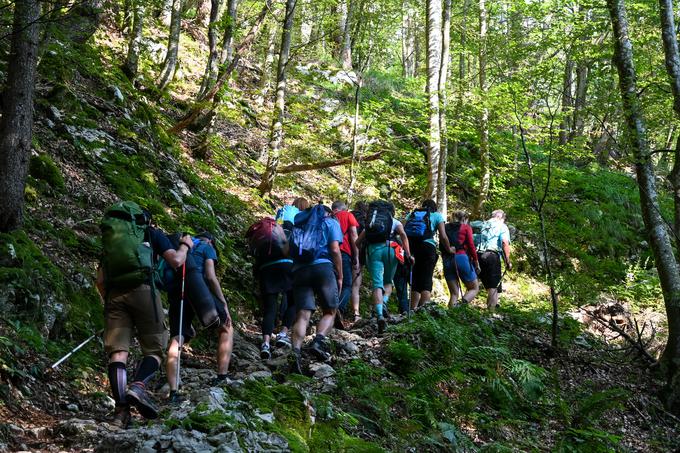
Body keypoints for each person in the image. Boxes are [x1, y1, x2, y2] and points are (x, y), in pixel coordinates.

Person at [96, 202, 193, 428]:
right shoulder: (150, 233)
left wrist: (111, 304)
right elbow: (176, 261)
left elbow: (100, 281)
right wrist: (185, 246)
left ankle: (121, 413)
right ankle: (138, 387)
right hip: (144, 292)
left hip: (114, 296)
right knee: (155, 349)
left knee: (118, 353)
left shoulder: (112, 240)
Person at [166, 231, 233, 403]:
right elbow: (210, 276)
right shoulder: (206, 247)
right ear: (211, 241)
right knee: (226, 327)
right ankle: (222, 375)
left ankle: (173, 391)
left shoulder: (182, 246)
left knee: (177, 337)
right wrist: (223, 303)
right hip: (199, 289)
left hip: (177, 291)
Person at [289, 204, 343, 373]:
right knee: (330, 311)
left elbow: (287, 250)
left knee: (303, 314)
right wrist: (340, 275)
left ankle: (295, 352)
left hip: (299, 270)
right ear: (328, 212)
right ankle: (318, 342)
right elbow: (334, 249)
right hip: (323, 268)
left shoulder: (300, 225)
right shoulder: (330, 223)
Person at [358, 200, 413, 334]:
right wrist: (408, 254)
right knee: (388, 282)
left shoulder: (371, 223)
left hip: (374, 251)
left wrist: (363, 251)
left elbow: (357, 242)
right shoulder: (394, 221)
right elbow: (404, 236)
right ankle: (384, 303)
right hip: (391, 250)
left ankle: (379, 315)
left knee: (377, 284)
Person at [405, 199, 452, 309]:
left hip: (412, 248)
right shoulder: (437, 216)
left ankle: (412, 310)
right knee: (426, 278)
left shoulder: (412, 214)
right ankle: (424, 311)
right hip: (427, 247)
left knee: (415, 279)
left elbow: (403, 232)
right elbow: (443, 236)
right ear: (434, 207)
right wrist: (449, 249)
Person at [441, 210, 480, 307]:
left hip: (447, 260)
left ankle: (450, 317)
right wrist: (476, 262)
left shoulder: (445, 227)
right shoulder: (466, 228)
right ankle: (460, 307)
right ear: (464, 219)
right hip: (461, 258)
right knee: (474, 288)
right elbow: (471, 246)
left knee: (454, 294)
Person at [331, 200, 359, 328]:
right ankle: (338, 308)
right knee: (347, 283)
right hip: (343, 252)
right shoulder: (348, 215)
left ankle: (328, 310)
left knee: (333, 282)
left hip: (326, 254)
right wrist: (356, 256)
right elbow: (353, 235)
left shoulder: (327, 216)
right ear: (344, 208)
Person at [477, 209, 512, 310]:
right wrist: (507, 261)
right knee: (493, 286)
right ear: (501, 217)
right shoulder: (502, 226)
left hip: (477, 255)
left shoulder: (482, 225)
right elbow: (505, 242)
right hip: (492, 256)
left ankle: (460, 309)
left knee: (474, 285)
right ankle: (490, 313)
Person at [349, 201, 368, 321]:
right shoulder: (367, 220)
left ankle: (336, 310)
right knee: (355, 285)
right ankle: (356, 314)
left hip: (345, 252)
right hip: (360, 254)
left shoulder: (349, 216)